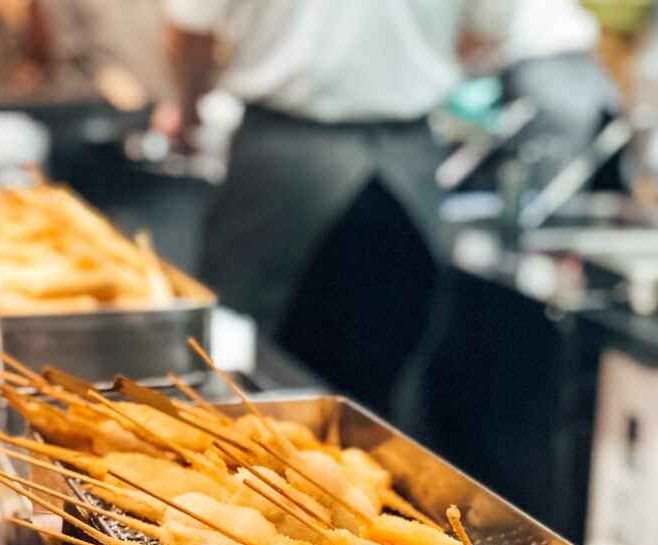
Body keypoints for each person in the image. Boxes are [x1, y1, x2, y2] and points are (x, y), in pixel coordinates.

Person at [157, 0, 619, 420]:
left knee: (235, 384)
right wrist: (418, 64)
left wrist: (189, 108)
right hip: (402, 165)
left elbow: (191, 28)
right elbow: (490, 28)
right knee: (369, 409)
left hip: (281, 161)